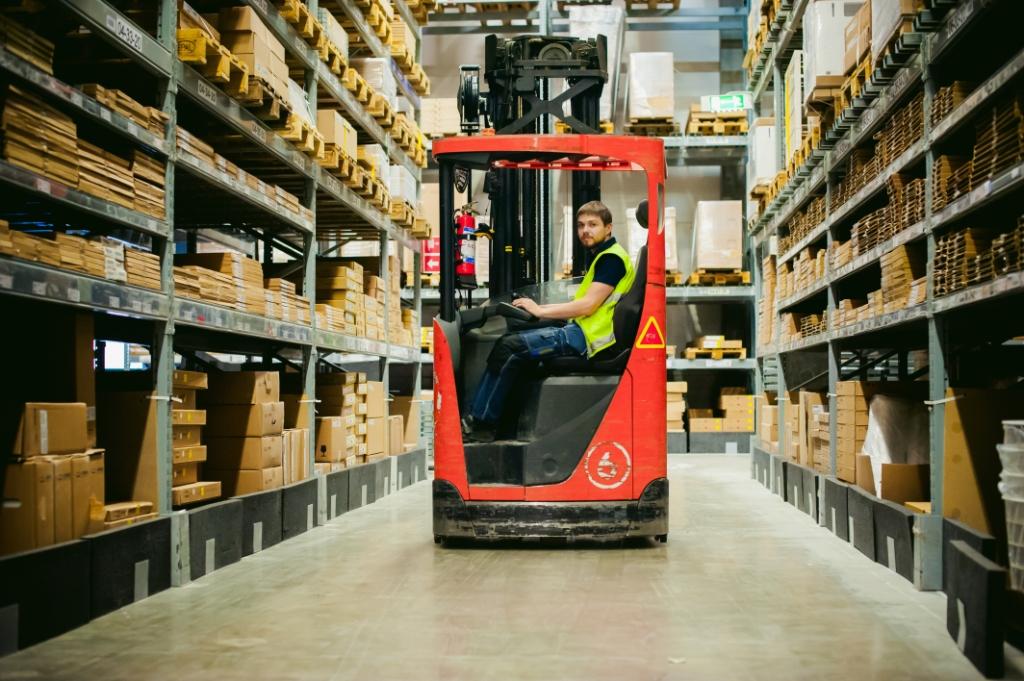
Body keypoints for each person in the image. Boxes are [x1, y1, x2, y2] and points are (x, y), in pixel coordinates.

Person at [462, 200, 635, 441]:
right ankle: (497, 422)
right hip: (583, 331)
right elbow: (582, 305)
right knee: (514, 345)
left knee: (509, 348)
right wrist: (537, 309)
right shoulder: (605, 256)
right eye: (581, 225)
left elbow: (587, 306)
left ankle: (480, 424)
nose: (585, 230)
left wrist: (541, 313)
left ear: (609, 228)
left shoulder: (611, 260)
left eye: (593, 224)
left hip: (588, 339)